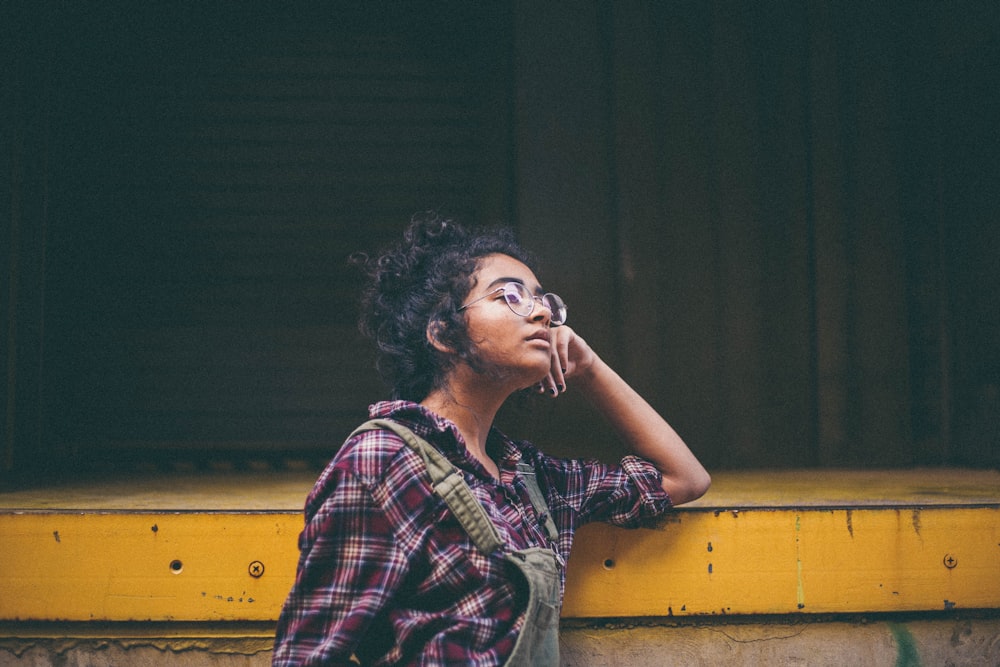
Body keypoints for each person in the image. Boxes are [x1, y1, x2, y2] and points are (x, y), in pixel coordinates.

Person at [271, 212, 710, 666]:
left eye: (543, 301)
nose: (541, 313)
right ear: (443, 333)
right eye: (510, 297)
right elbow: (306, 657)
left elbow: (683, 478)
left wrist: (592, 369)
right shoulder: (384, 461)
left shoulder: (529, 479)